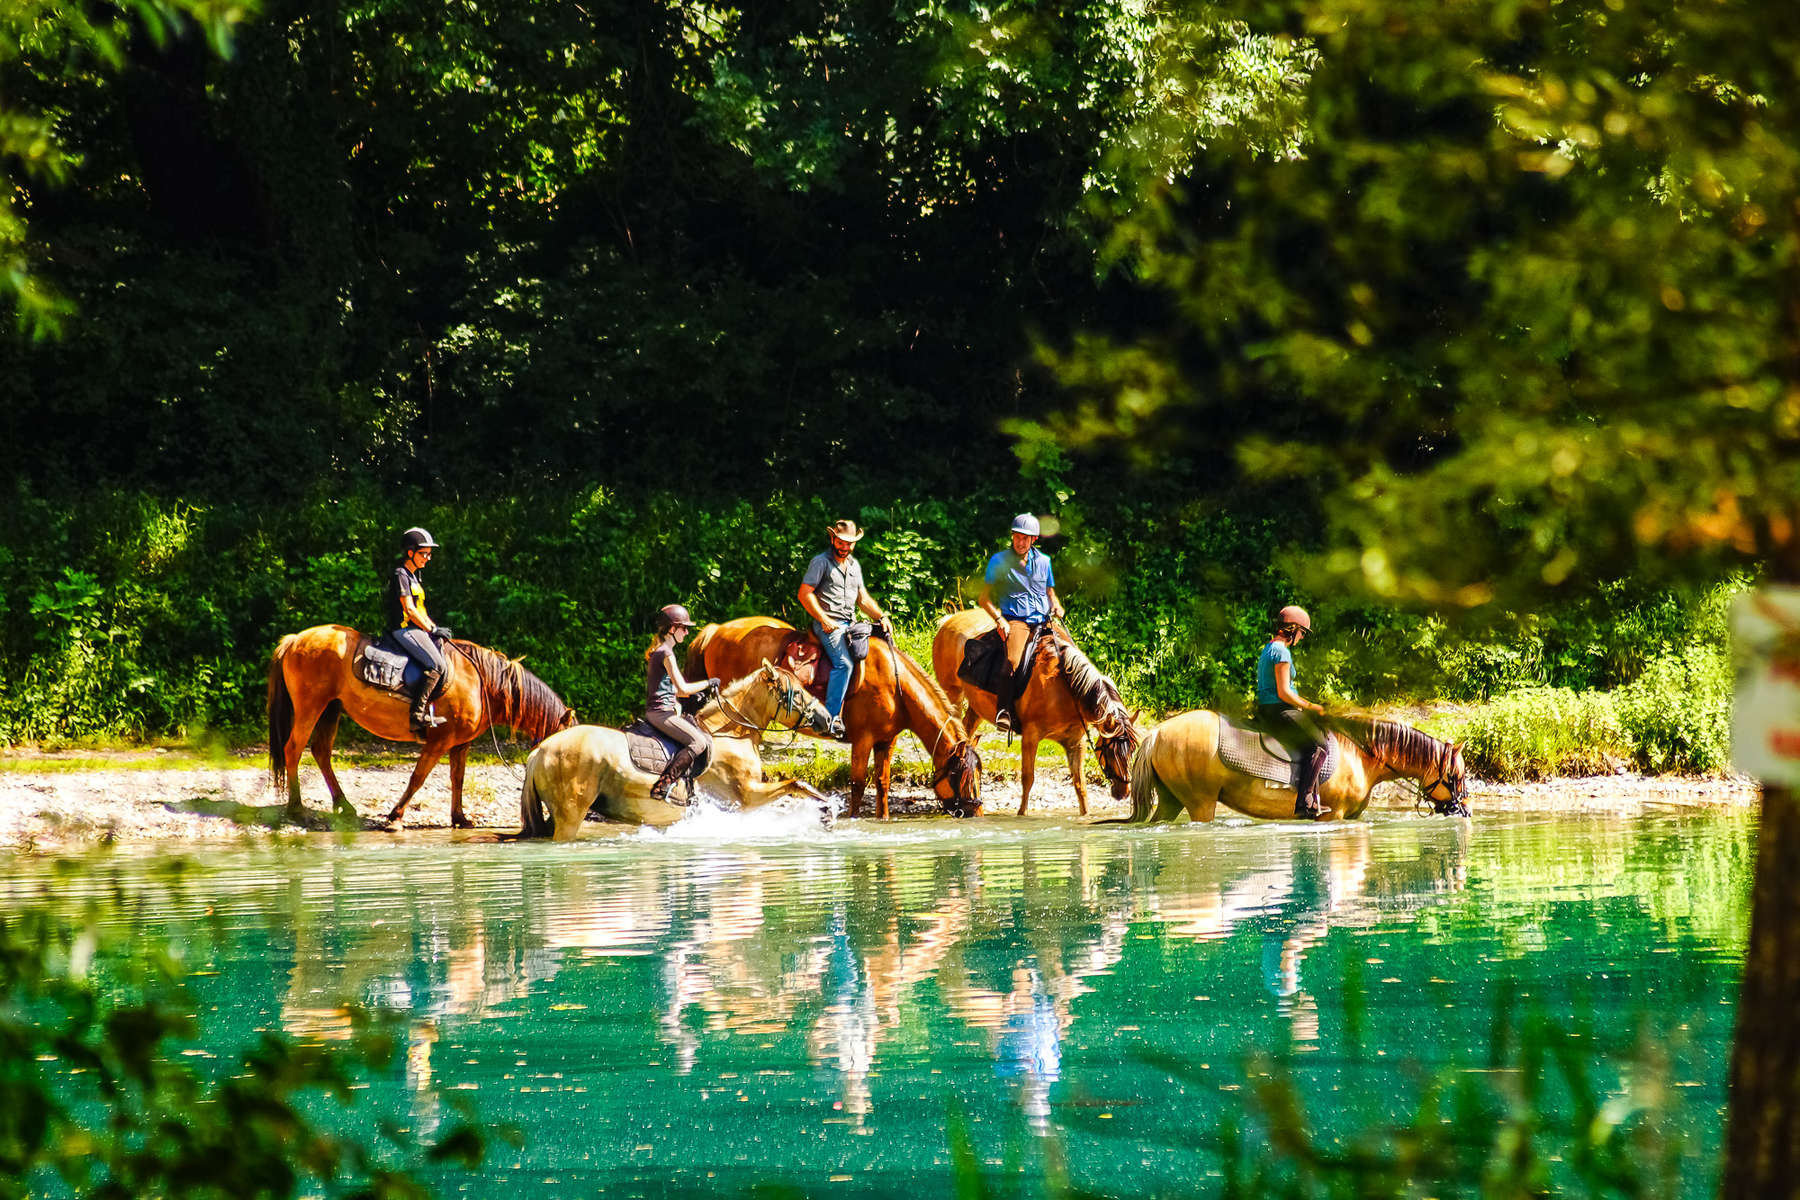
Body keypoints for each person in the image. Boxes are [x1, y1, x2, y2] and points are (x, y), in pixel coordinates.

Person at [797, 519, 892, 738]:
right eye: (841, 542)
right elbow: (805, 593)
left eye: (849, 543)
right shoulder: (821, 562)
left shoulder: (854, 566)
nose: (844, 547)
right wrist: (822, 619)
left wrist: (881, 616)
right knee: (844, 664)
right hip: (827, 623)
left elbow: (862, 598)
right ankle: (830, 719)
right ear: (832, 539)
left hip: (850, 623)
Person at [978, 513, 1065, 733]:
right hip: (1017, 621)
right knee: (1012, 661)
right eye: (1017, 536)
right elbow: (984, 599)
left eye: (1026, 538)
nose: (1020, 541)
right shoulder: (999, 561)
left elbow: (1050, 592)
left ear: (1034, 539)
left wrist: (1056, 605)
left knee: (1070, 656)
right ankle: (1004, 711)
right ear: (1012, 536)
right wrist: (999, 619)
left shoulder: (1045, 561)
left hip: (1044, 621)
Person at [1256, 604, 1330, 819]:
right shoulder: (1281, 652)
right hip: (1279, 710)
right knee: (1319, 746)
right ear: (1293, 629)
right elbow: (1284, 693)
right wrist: (1311, 706)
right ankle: (1305, 802)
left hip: (1269, 708)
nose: (1302, 637)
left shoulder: (1270, 647)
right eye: (1303, 632)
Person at [644, 604, 720, 801]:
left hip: (663, 709)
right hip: (661, 713)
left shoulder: (662, 651)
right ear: (672, 629)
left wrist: (695, 696)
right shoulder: (666, 653)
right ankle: (664, 784)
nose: (687, 633)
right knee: (698, 742)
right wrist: (708, 683)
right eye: (684, 628)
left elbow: (677, 691)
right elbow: (683, 688)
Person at [385, 526, 450, 734]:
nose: (428, 558)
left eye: (429, 554)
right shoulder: (400, 574)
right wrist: (432, 628)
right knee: (437, 664)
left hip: (417, 629)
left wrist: (434, 629)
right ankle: (417, 715)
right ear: (410, 552)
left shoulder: (415, 576)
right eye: (424, 554)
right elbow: (410, 610)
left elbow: (421, 609)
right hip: (403, 629)